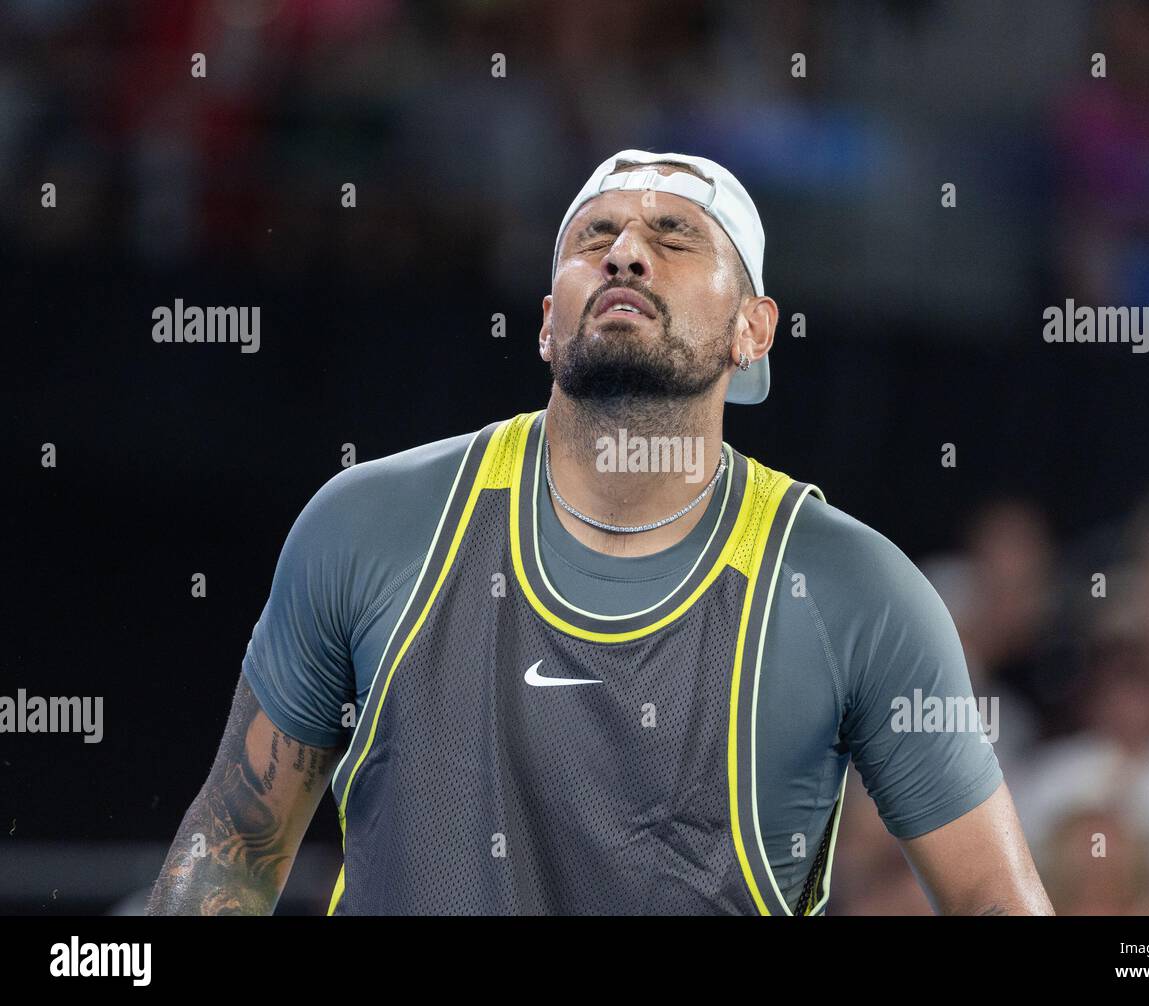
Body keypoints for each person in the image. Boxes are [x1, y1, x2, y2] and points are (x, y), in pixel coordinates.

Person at [148, 149, 1052, 916]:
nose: (624, 253)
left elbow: (993, 901)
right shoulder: (367, 524)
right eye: (595, 237)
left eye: (675, 237)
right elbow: (233, 845)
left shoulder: (855, 590)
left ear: (753, 329)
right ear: (548, 323)